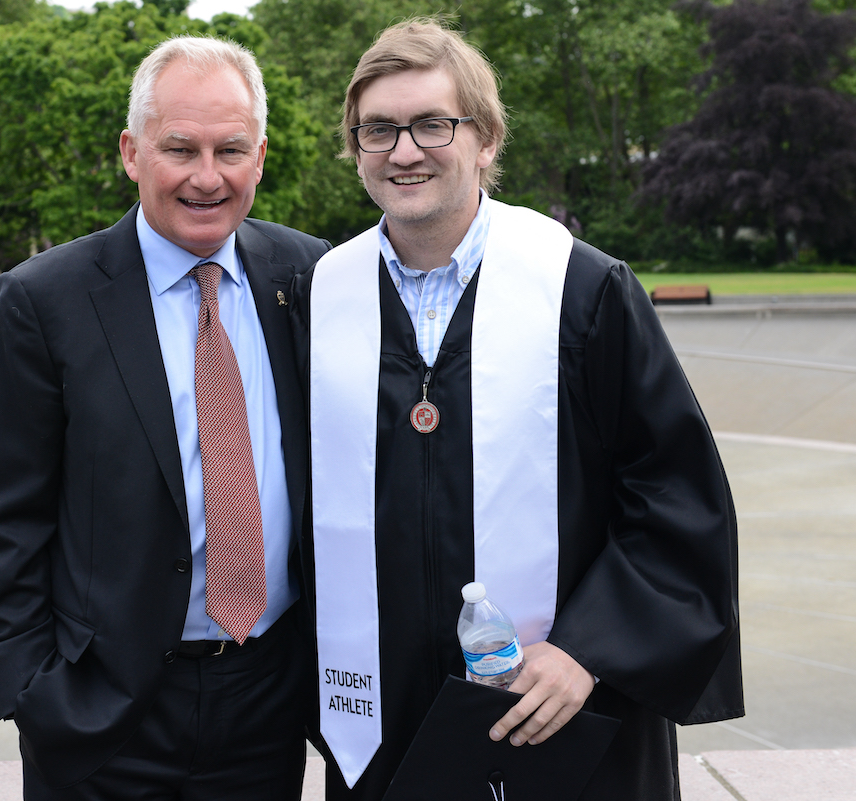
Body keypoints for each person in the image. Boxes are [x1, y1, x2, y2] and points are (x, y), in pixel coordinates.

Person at [293, 19, 743, 801]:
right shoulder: (321, 297)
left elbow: (674, 492)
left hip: (561, 705)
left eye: (434, 124)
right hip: (384, 709)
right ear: (355, 147)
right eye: (378, 130)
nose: (404, 151)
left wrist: (589, 648)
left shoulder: (581, 289)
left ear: (487, 138)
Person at [0, 35, 329, 801]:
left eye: (230, 149)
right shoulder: (44, 301)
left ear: (261, 157)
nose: (207, 176)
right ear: (132, 153)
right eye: (179, 148)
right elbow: (7, 516)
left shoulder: (314, 279)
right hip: (102, 710)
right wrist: (32, 689)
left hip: (268, 701)